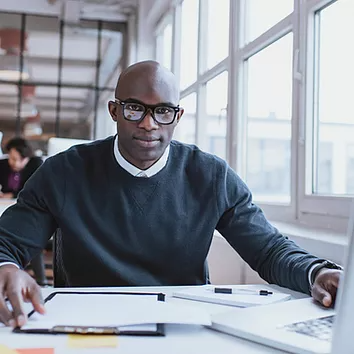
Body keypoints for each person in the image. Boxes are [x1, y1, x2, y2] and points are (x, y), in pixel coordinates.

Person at [0, 61, 342, 328]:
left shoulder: (211, 176)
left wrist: (316, 273)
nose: (149, 124)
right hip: (87, 324)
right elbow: (7, 244)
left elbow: (268, 251)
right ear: (114, 111)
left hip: (183, 324)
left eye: (163, 111)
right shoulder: (63, 172)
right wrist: (7, 267)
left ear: (177, 116)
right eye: (135, 109)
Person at [0, 137, 48, 287]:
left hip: (29, 211)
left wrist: (12, 195)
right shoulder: (2, 165)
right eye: (11, 158)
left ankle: (42, 281)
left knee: (30, 235)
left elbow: (35, 191)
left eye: (18, 159)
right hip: (5, 207)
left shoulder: (36, 165)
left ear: (27, 158)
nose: (13, 163)